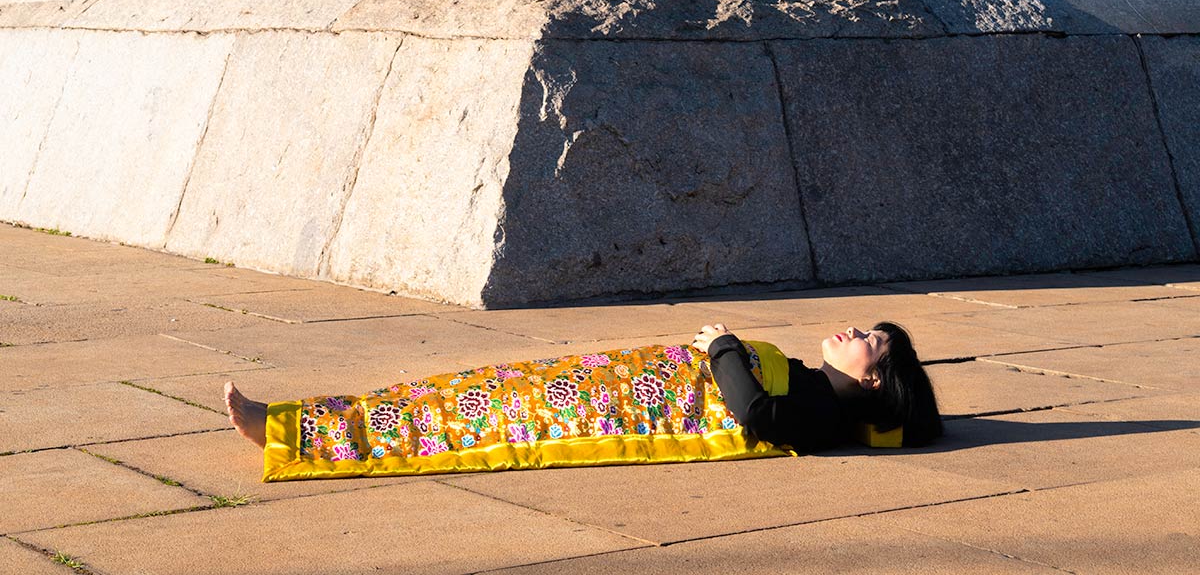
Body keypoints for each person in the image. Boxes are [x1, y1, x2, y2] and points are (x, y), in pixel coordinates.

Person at [224, 317, 942, 481]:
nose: (853, 330)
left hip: (613, 407)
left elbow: (755, 415)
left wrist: (723, 344)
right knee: (462, 392)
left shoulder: (821, 412)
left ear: (876, 377)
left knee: (458, 419)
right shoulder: (822, 390)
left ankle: (292, 432)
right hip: (611, 379)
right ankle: (298, 422)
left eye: (871, 339)